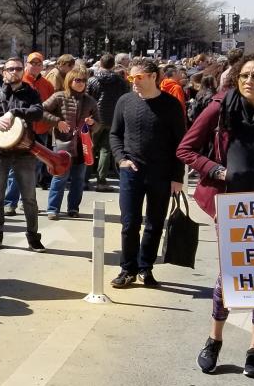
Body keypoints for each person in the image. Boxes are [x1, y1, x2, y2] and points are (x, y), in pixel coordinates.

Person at [177, 54, 254, 377]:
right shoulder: (220, 108)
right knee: (232, 275)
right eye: (246, 76)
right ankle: (214, 339)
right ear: (236, 79)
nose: (251, 81)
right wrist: (218, 170)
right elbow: (186, 149)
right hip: (233, 204)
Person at [109, 58, 186, 288]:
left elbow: (180, 144)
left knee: (154, 223)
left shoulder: (171, 105)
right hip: (131, 171)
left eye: (139, 77)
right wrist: (121, 159)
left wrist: (177, 177)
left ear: (154, 77)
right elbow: (114, 134)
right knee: (129, 222)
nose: (134, 82)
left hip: (161, 173)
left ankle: (146, 268)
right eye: (131, 78)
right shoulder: (125, 101)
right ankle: (127, 269)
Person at [0, 57, 46, 252]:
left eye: (17, 69)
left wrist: (15, 112)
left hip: (24, 152)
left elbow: (38, 113)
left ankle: (33, 237)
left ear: (22, 71)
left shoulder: (31, 93)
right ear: (3, 72)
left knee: (29, 198)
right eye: (10, 69)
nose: (13, 72)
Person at [3, 52, 54, 212]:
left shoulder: (47, 85)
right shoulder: (19, 80)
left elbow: (51, 108)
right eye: (33, 63)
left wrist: (53, 124)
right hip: (20, 131)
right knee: (15, 167)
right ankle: (10, 202)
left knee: (34, 169)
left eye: (39, 64)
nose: (36, 66)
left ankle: (27, 202)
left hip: (41, 131)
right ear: (27, 64)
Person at [43, 68, 98, 219]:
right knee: (59, 177)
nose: (81, 83)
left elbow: (98, 123)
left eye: (84, 80)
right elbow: (41, 111)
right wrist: (57, 121)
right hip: (62, 144)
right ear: (69, 81)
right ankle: (52, 209)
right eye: (77, 80)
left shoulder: (90, 101)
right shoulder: (59, 96)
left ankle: (73, 208)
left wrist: (92, 123)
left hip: (82, 145)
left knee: (78, 180)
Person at [86, 53, 130, 191]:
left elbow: (87, 99)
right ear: (113, 65)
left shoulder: (92, 80)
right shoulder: (120, 81)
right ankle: (101, 180)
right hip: (113, 118)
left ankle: (85, 179)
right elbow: (125, 99)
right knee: (106, 150)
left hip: (95, 118)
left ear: (100, 62)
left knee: (90, 147)